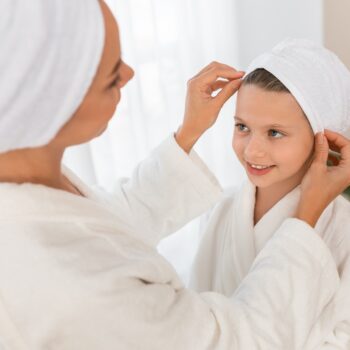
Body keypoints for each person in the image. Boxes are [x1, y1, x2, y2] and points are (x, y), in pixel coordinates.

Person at [0, 1, 349, 349]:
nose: (129, 74)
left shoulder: (40, 195)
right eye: (110, 72)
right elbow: (232, 335)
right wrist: (303, 223)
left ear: (322, 136)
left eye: (275, 132)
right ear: (47, 90)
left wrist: (187, 133)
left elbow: (112, 222)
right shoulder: (64, 276)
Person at [189, 39, 350, 349]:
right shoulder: (218, 209)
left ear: (323, 138)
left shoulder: (343, 230)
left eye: (275, 132)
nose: (252, 150)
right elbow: (195, 315)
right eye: (242, 127)